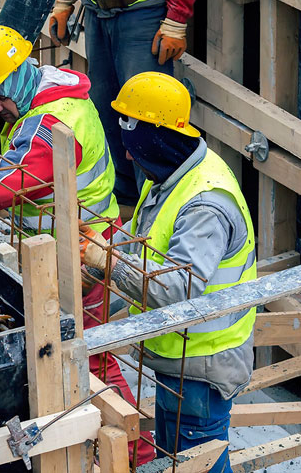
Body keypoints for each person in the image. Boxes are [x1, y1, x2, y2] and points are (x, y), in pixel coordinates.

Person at [0, 25, 156, 466]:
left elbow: (4, 187)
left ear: (17, 76)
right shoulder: (50, 91)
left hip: (82, 254)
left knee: (89, 359)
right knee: (85, 355)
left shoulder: (50, 124)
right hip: (78, 242)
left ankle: (137, 452)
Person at [82, 72, 256, 473]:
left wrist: (107, 260)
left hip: (202, 364)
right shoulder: (170, 174)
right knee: (175, 459)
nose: (127, 158)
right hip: (176, 355)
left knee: (198, 463)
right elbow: (143, 239)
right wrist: (101, 254)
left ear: (155, 140)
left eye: (133, 150)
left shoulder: (204, 205)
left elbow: (177, 289)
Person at [47, 0, 202, 209]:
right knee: (106, 109)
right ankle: (125, 200)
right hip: (96, 12)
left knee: (146, 119)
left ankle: (154, 208)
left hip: (142, 16)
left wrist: (175, 21)